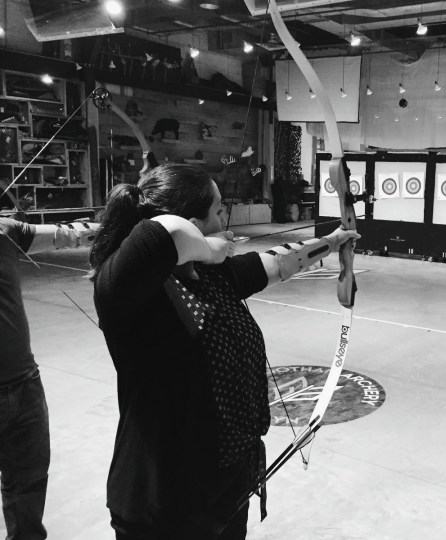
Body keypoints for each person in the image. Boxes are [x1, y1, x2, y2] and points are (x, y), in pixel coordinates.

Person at [88, 163, 358, 540]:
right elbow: (162, 232)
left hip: (226, 486)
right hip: (164, 502)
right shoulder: (125, 290)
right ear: (192, 222)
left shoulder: (210, 276)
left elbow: (275, 264)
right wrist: (211, 249)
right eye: (217, 211)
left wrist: (333, 242)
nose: (224, 221)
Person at [0, 216, 97, 540]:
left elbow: (65, 235)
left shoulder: (6, 230)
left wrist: (117, 224)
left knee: (28, 488)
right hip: (21, 385)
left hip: (23, 382)